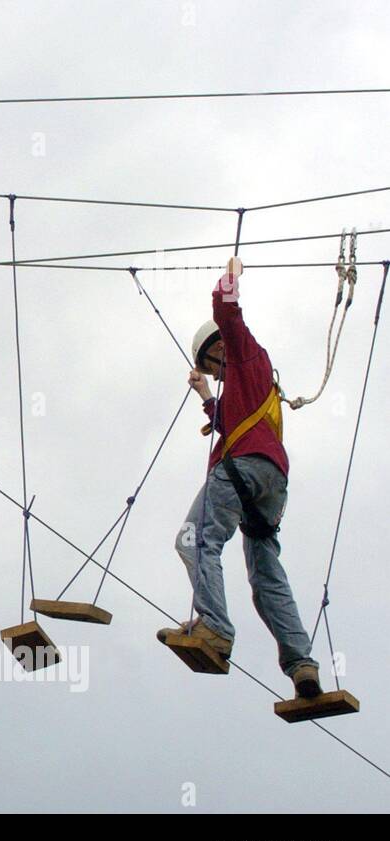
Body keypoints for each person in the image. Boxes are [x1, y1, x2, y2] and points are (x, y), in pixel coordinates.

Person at [159, 261, 321, 699]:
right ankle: (301, 664)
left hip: (241, 471)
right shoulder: (253, 386)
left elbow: (227, 313)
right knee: (266, 575)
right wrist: (208, 400)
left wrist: (229, 276)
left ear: (218, 350)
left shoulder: (245, 352)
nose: (214, 372)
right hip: (271, 483)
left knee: (193, 539)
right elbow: (235, 425)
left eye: (212, 365)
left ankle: (213, 626)